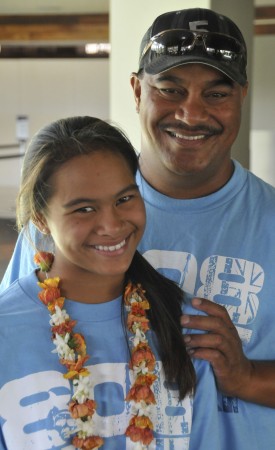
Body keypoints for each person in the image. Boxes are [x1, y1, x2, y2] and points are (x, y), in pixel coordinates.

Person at [1, 7, 275, 449]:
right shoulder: (62, 223)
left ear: (242, 94)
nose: (191, 113)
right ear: (136, 89)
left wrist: (245, 376)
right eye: (170, 89)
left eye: (216, 94)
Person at [0, 116, 220, 450]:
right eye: (84, 209)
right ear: (42, 219)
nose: (112, 225)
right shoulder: (6, 330)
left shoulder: (186, 322)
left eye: (124, 200)